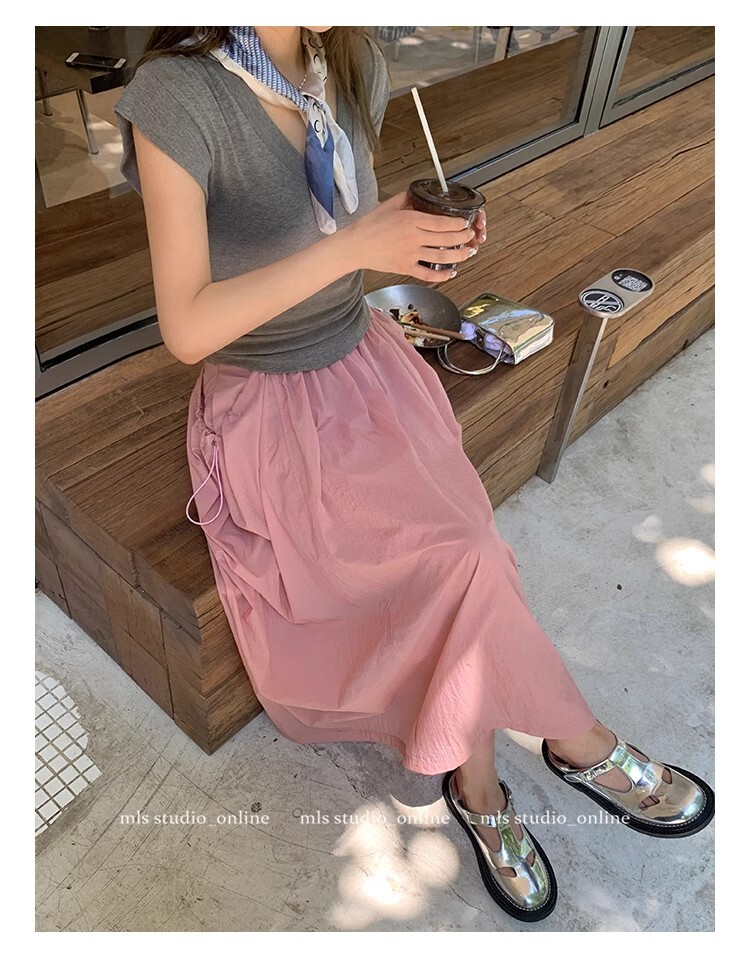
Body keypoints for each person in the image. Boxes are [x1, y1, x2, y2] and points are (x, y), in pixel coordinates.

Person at [114, 25, 714, 923]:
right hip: (271, 403)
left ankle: (479, 785)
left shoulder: (346, 56)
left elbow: (343, 224)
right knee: (465, 558)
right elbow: (188, 329)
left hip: (368, 366)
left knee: (466, 557)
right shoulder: (178, 93)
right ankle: (574, 741)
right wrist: (359, 246)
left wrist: (411, 234)